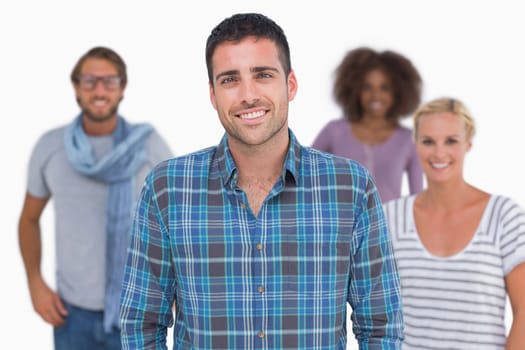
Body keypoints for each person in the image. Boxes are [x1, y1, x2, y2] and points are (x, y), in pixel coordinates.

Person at [120, 13, 403, 349]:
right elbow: (141, 325)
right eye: (229, 80)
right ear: (213, 95)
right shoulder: (167, 189)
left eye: (263, 75)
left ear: (291, 84)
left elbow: (381, 327)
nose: (247, 94)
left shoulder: (351, 188)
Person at [18, 46, 173, 350]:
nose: (99, 90)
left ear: (122, 88)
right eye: (89, 81)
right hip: (71, 314)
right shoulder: (50, 147)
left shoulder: (149, 147)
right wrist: (35, 282)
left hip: (138, 312)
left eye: (109, 81)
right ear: (76, 86)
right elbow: (28, 219)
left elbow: (181, 222)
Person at [383, 97, 525, 349]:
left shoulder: (504, 216)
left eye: (451, 141)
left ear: (468, 143)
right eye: (428, 141)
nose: (439, 153)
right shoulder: (390, 217)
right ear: (415, 144)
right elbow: (375, 313)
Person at [312, 47, 423, 203]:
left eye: (384, 88)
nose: (375, 95)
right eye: (367, 87)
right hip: (341, 224)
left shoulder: (408, 140)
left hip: (389, 225)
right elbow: (304, 174)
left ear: (397, 92)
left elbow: (417, 198)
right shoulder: (335, 131)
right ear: (355, 90)